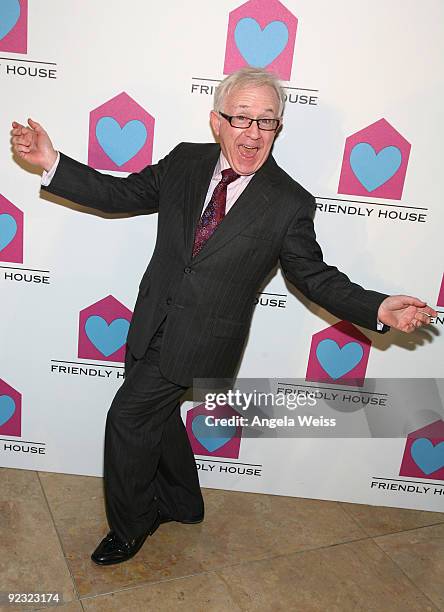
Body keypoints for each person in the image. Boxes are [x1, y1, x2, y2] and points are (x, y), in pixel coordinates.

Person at [11, 67, 436, 566]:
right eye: (241, 119)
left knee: (128, 419)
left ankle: (130, 527)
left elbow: (313, 276)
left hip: (203, 340)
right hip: (151, 322)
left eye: (267, 122)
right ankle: (183, 502)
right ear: (217, 121)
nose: (253, 133)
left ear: (279, 128)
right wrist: (52, 162)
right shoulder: (185, 162)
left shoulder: (289, 202)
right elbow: (119, 195)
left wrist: (377, 306)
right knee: (158, 418)